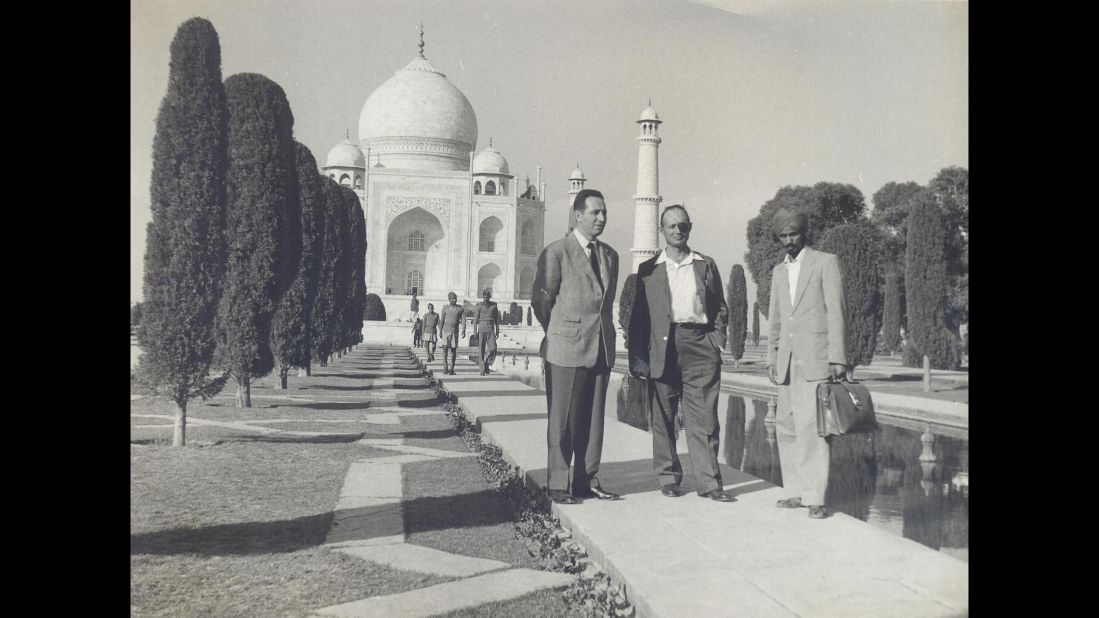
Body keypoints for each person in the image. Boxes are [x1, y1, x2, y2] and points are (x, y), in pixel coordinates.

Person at [632, 205, 734, 502]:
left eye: (682, 226)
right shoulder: (648, 269)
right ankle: (668, 477)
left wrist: (717, 339)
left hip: (700, 346)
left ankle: (710, 483)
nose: (677, 230)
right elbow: (639, 317)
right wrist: (639, 358)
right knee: (663, 417)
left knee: (704, 418)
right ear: (662, 230)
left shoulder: (705, 264)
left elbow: (720, 306)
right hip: (662, 347)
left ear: (690, 227)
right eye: (671, 226)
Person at [532, 188, 620, 505]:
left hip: (601, 346)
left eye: (604, 212)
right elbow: (541, 300)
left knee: (593, 420)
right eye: (595, 212)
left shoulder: (610, 255)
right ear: (577, 215)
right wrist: (559, 330)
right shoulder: (557, 252)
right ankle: (557, 482)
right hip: (565, 346)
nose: (601, 218)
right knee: (563, 420)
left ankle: (585, 480)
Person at [766, 207, 848, 519]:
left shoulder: (825, 262)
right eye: (783, 236)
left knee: (814, 427)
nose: (789, 240)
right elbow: (776, 318)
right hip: (787, 361)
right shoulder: (778, 271)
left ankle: (816, 498)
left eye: (793, 234)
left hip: (816, 358)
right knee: (786, 426)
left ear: (804, 233)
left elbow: (837, 311)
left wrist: (838, 357)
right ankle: (795, 492)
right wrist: (772, 357)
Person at [472, 288, 499, 376]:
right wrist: (475, 331)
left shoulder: (494, 306)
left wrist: (497, 330)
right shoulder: (479, 305)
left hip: (491, 329)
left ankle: (487, 363)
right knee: (481, 350)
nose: (485, 299)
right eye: (484, 297)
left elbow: (496, 319)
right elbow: (475, 319)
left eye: (487, 297)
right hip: (482, 328)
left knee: (493, 349)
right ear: (482, 297)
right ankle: (482, 369)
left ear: (489, 297)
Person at [439, 292, 466, 375]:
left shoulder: (460, 308)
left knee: (453, 351)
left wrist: (464, 329)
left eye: (455, 298)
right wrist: (440, 331)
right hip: (445, 331)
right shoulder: (445, 308)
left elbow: (464, 320)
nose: (454, 300)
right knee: (445, 349)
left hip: (455, 331)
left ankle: (451, 369)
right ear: (449, 299)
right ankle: (445, 368)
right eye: (453, 299)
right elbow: (442, 320)